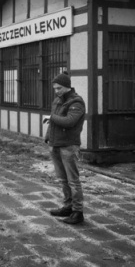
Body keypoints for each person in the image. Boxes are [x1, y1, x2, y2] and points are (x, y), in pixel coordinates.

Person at [43, 72, 86, 225]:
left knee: (73, 181)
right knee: (63, 179)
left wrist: (51, 117)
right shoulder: (57, 101)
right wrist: (48, 136)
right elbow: (53, 120)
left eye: (59, 88)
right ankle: (68, 207)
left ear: (67, 86)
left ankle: (78, 212)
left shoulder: (77, 102)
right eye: (54, 88)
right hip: (55, 144)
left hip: (69, 146)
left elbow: (69, 121)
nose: (56, 91)